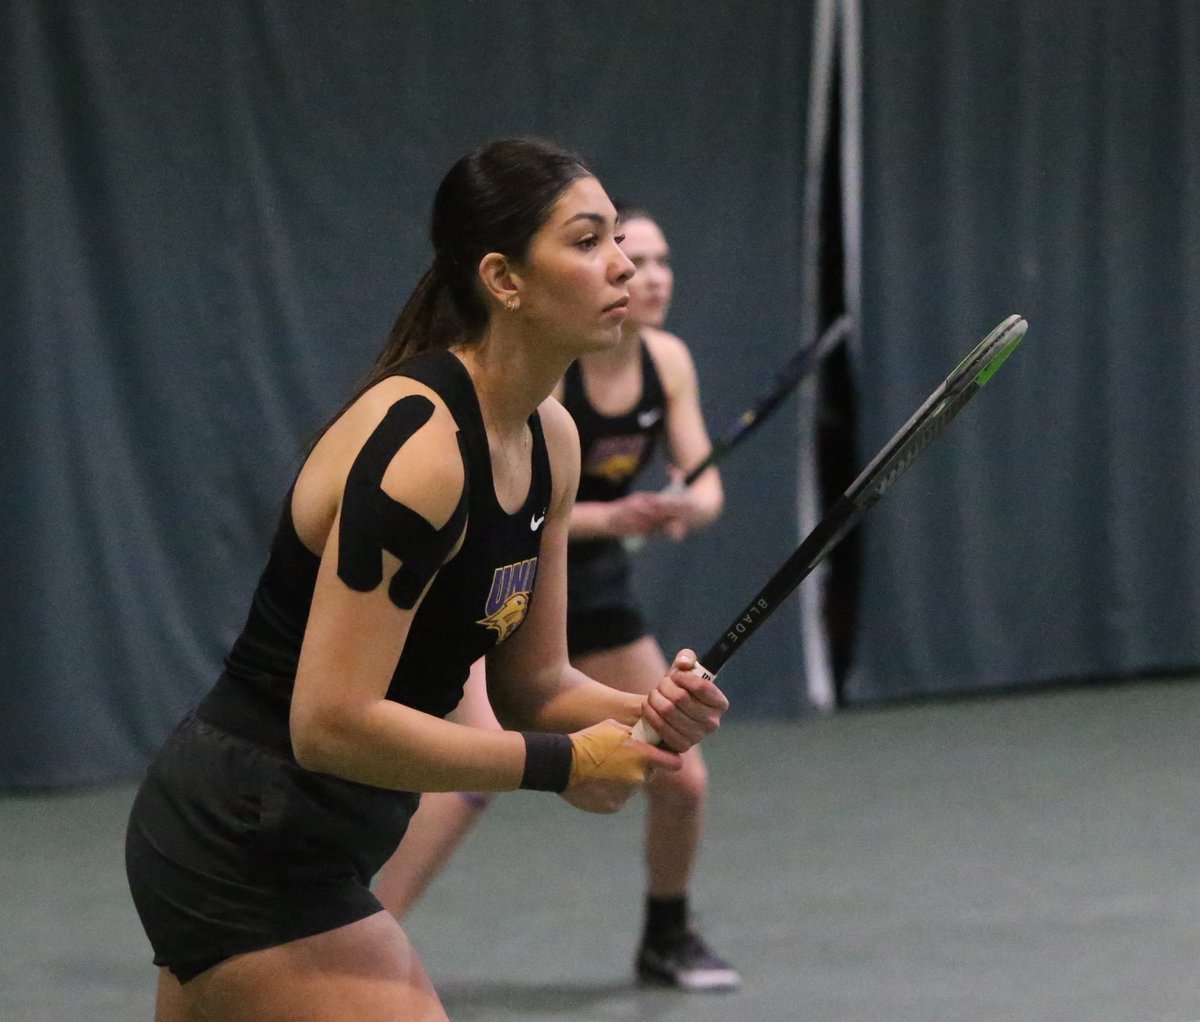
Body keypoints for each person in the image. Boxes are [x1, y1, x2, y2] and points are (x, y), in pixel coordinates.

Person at [124, 137, 730, 1022]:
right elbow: (331, 722)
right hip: (246, 835)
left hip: (327, 835)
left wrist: (640, 714)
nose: (625, 265)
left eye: (619, 242)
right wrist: (560, 765)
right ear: (504, 278)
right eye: (589, 240)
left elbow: (534, 683)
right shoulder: (422, 450)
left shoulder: (550, 439)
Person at [374, 207, 739, 992]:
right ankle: (367, 943)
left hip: (592, 587)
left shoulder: (667, 361)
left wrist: (682, 507)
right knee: (467, 779)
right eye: (619, 252)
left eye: (657, 256)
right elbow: (503, 503)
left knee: (680, 770)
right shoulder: (550, 368)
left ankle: (667, 936)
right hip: (495, 580)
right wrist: (612, 515)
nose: (646, 273)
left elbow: (704, 482)